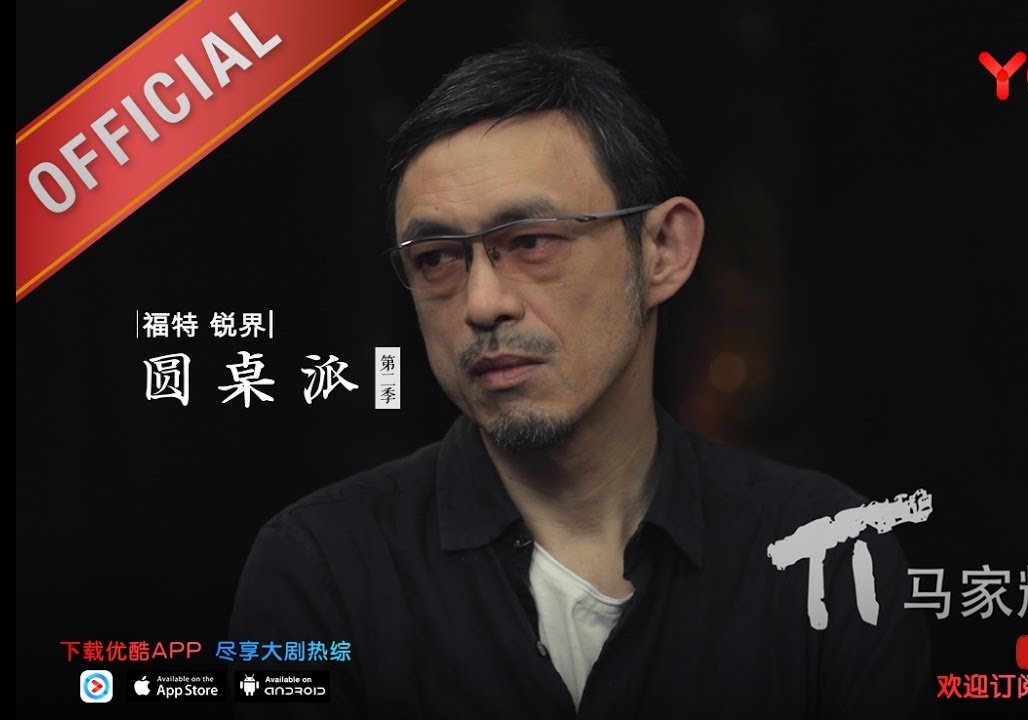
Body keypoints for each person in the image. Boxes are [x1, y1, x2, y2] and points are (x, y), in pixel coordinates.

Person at [230, 42, 933, 719]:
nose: (481, 304)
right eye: (438, 258)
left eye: (531, 241)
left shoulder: (828, 552)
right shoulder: (321, 568)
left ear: (663, 250)